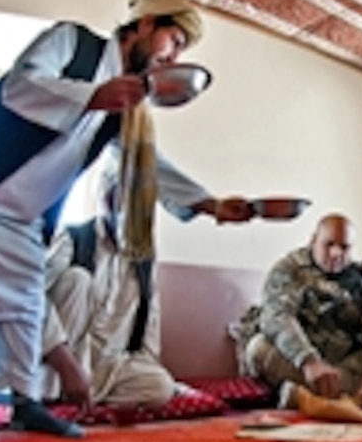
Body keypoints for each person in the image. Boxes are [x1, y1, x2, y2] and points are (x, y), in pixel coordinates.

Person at [0, 0, 250, 437]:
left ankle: (26, 404)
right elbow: (20, 86)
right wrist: (90, 95)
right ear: (145, 24)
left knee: (25, 306)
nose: (173, 56)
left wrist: (210, 203)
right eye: (174, 41)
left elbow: (147, 165)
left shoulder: (126, 109)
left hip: (22, 220)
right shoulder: (74, 45)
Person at [41, 163, 242, 409]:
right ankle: (64, 386)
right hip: (62, 359)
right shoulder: (74, 238)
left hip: (110, 366)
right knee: (77, 279)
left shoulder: (143, 255)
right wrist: (66, 364)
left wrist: (157, 374)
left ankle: (79, 395)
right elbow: (31, 297)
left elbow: (149, 322)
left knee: (159, 387)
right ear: (107, 200)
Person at [242, 213, 362, 421]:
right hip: (301, 364)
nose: (336, 253)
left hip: (344, 363)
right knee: (257, 349)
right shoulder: (289, 270)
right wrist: (308, 361)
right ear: (313, 240)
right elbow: (277, 318)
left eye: (344, 247)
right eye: (328, 244)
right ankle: (348, 394)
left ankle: (305, 396)